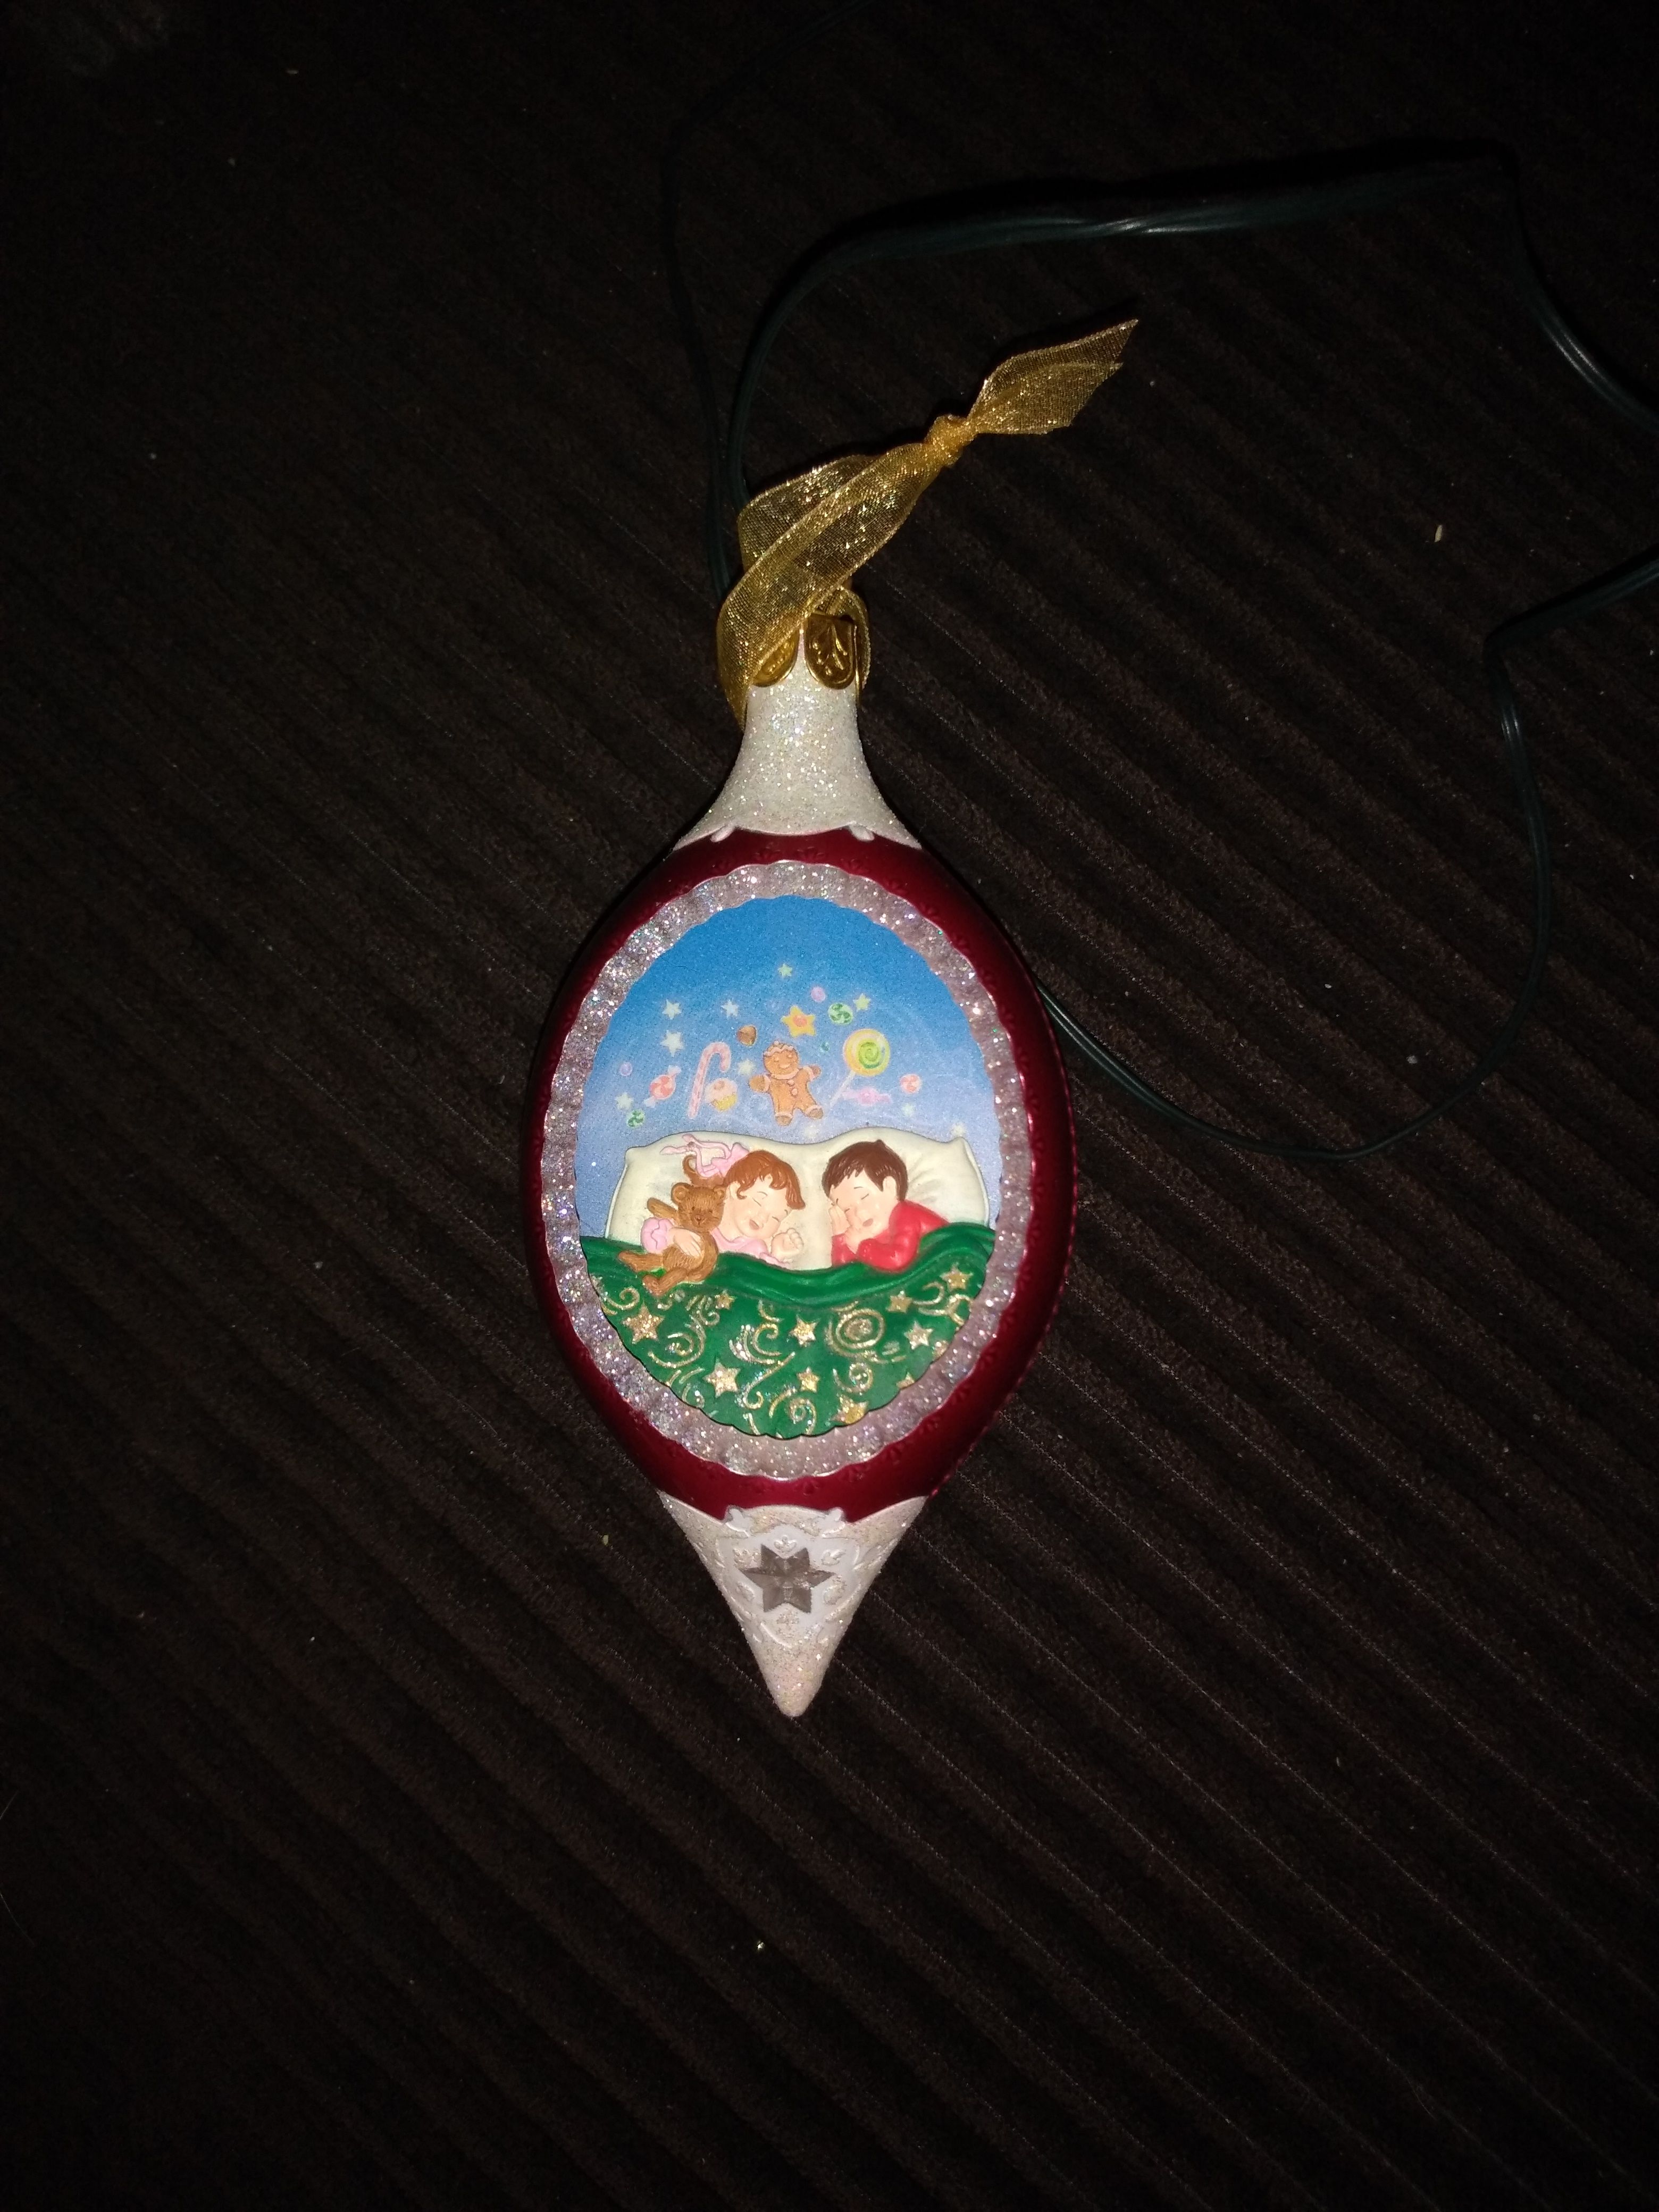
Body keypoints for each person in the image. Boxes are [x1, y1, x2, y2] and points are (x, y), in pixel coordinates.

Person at [641, 1147, 806, 1263]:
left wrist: (778, 1254)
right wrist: (674, 1236)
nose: (764, 1218)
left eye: (777, 1218)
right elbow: (652, 1234)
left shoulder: (754, 1249)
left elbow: (764, 1284)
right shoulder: (698, 1221)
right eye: (758, 1201)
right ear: (734, 1190)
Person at [823, 1139, 944, 1271]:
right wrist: (841, 1238)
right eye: (847, 1209)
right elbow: (845, 1272)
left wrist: (863, 1246)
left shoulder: (906, 1215)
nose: (857, 1212)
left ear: (890, 1187)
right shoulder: (873, 1236)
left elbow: (898, 1259)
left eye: (864, 1197)